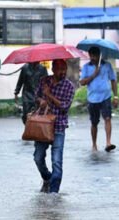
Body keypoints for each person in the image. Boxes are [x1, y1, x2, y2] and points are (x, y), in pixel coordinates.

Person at [33, 59, 75, 193]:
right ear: (53, 69)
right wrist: (41, 101)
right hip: (43, 126)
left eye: (65, 69)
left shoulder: (69, 86)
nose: (63, 72)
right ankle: (47, 178)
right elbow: (36, 97)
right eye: (60, 69)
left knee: (57, 162)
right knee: (38, 157)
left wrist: (49, 95)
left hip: (59, 127)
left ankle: (54, 194)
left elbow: (64, 107)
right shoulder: (44, 81)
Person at [79, 47, 118, 152]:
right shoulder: (86, 67)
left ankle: (108, 142)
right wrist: (94, 74)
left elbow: (113, 80)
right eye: (91, 55)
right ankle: (94, 144)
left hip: (106, 96)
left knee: (108, 118)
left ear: (99, 55)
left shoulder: (107, 65)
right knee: (94, 123)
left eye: (95, 55)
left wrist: (116, 96)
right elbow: (82, 82)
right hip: (92, 99)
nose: (92, 58)